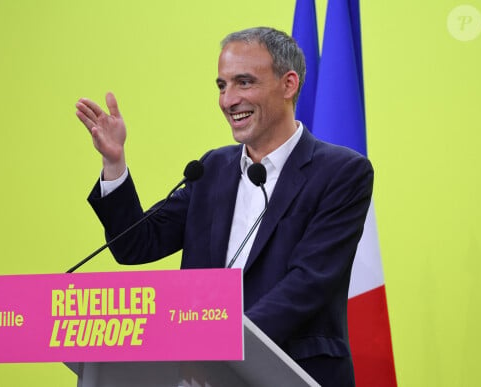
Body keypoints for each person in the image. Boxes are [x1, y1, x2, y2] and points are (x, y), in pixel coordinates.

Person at [75, 27, 373, 387]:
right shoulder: (212, 168)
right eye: (221, 85)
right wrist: (114, 163)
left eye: (244, 83)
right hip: (200, 374)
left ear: (288, 84)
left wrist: (218, 345)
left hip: (292, 370)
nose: (228, 100)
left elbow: (309, 282)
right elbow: (136, 245)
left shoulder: (341, 172)